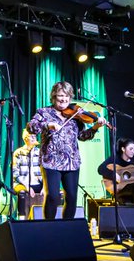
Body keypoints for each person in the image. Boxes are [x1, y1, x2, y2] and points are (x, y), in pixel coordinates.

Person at [27, 81, 107, 221]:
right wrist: (48, 125)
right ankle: (49, 227)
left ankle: (67, 227)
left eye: (67, 96)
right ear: (54, 97)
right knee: (53, 196)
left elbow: (82, 136)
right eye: (60, 96)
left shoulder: (76, 115)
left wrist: (95, 128)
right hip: (50, 161)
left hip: (72, 161)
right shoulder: (44, 112)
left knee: (71, 196)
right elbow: (31, 127)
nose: (64, 99)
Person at [97, 137, 134, 208]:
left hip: (132, 190)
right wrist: (114, 175)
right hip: (118, 190)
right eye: (130, 149)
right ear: (123, 149)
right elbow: (100, 169)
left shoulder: (133, 164)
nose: (133, 151)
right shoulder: (114, 159)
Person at [11, 127, 43, 219]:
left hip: (38, 183)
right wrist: (27, 186)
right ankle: (22, 218)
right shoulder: (18, 152)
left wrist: (45, 187)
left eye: (35, 136)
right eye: (31, 136)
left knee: (52, 192)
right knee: (22, 192)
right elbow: (15, 173)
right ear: (26, 138)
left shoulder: (40, 152)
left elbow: (46, 171)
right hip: (21, 183)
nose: (34, 138)